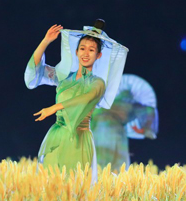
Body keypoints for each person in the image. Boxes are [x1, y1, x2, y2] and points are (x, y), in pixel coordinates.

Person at [25, 20, 128, 181]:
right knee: (49, 189)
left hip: (79, 140)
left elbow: (85, 98)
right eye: (82, 48)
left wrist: (55, 107)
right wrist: (45, 41)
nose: (86, 53)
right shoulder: (64, 78)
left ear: (98, 55)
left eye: (91, 50)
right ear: (76, 51)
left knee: (76, 189)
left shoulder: (98, 83)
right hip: (57, 136)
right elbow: (36, 71)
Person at [91, 74, 158, 171]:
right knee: (115, 162)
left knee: (99, 160)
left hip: (98, 131)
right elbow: (149, 112)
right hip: (112, 133)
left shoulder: (106, 103)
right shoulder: (130, 105)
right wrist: (144, 130)